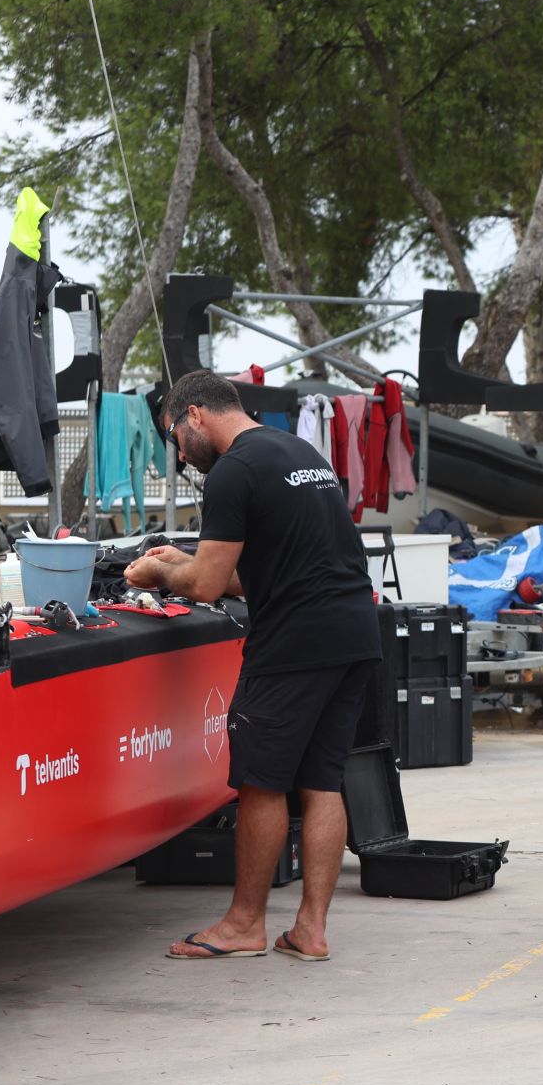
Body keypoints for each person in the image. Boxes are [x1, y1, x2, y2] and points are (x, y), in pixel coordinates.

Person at [125, 371, 381, 962]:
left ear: (194, 416)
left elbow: (209, 584)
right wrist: (187, 560)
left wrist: (162, 570)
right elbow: (269, 570)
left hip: (295, 644)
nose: (180, 454)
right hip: (353, 633)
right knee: (321, 780)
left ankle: (244, 923)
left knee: (260, 781)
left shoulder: (235, 471)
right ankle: (310, 930)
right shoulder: (298, 451)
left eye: (174, 437)